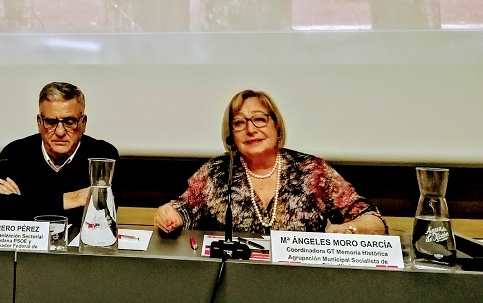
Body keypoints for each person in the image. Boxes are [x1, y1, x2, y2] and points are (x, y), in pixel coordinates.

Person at [155, 90, 386, 235]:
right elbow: (181, 209)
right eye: (239, 123)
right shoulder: (216, 172)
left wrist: (346, 230)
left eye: (259, 119)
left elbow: (373, 220)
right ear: (231, 136)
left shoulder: (311, 171)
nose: (250, 129)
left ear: (277, 127)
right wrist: (168, 215)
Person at [0, 82, 118, 226]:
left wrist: (23, 202)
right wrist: (73, 199)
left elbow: (102, 218)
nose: (60, 132)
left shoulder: (103, 155)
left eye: (69, 122)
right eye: (51, 122)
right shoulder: (15, 153)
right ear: (40, 123)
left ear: (83, 123)